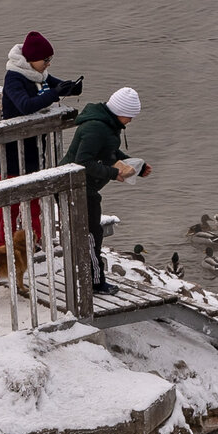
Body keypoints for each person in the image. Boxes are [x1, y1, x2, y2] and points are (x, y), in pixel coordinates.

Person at [65, 85, 147, 294]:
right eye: (130, 116)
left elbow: (109, 151)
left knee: (91, 233)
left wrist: (137, 167)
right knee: (92, 235)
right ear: (120, 112)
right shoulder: (96, 128)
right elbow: (82, 162)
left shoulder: (107, 125)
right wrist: (114, 173)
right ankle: (95, 282)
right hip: (76, 188)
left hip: (85, 187)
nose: (131, 120)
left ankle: (88, 276)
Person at [1, 31, 81, 178]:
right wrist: (54, 93)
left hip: (34, 144)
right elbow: (25, 105)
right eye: (45, 60)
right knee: (16, 197)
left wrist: (72, 88)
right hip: (13, 150)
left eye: (50, 59)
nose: (48, 63)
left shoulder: (40, 74)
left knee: (35, 193)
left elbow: (56, 86)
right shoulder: (14, 78)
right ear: (32, 58)